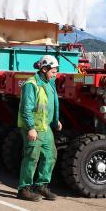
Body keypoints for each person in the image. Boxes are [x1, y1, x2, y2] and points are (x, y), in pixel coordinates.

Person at [17, 55, 62, 201]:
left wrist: (55, 121)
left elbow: (53, 103)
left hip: (46, 127)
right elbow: (26, 109)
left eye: (56, 71)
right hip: (34, 127)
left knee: (50, 156)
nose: (55, 74)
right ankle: (24, 189)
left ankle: (41, 186)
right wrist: (30, 128)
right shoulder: (31, 85)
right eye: (53, 71)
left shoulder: (49, 82)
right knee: (31, 157)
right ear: (44, 69)